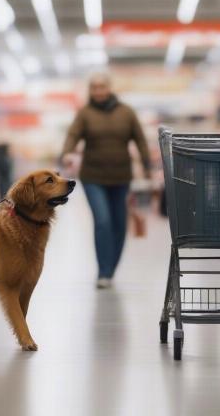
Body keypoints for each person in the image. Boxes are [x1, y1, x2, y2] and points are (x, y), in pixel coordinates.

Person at [61, 72, 151, 289]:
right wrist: (67, 152)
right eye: (94, 88)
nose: (99, 91)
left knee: (119, 224)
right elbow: (73, 135)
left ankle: (111, 269)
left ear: (109, 88)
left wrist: (147, 166)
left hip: (121, 176)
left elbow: (139, 139)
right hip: (93, 177)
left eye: (102, 87)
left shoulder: (126, 113)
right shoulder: (85, 114)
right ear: (90, 90)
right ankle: (103, 272)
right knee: (102, 221)